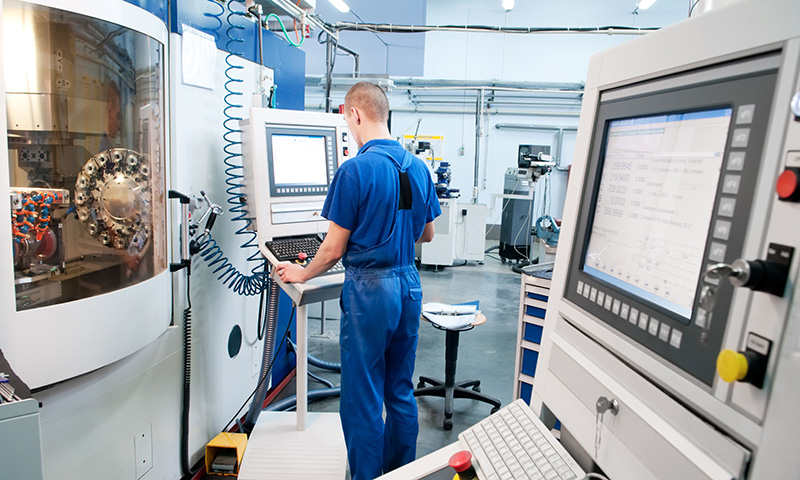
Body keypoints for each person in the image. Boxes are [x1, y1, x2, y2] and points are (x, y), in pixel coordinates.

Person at [275, 81, 441, 479]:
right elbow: (428, 234)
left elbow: (332, 249)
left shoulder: (354, 170)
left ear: (355, 114)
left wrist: (302, 271)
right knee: (400, 389)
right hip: (409, 286)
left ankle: (367, 475)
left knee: (363, 394)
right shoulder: (418, 166)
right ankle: (401, 473)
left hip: (370, 290)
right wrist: (396, 229)